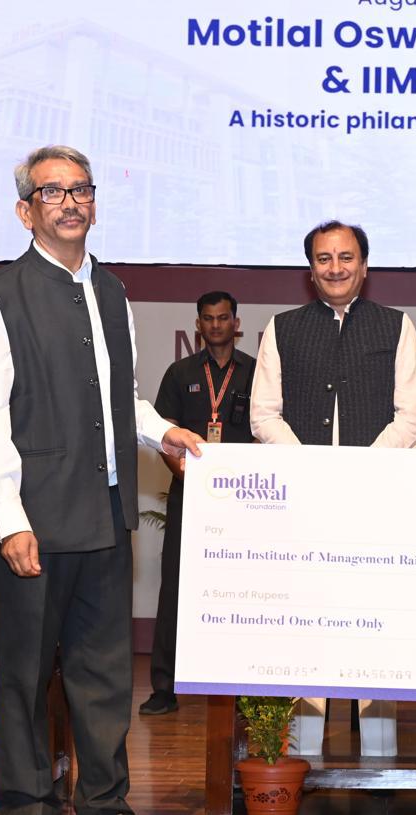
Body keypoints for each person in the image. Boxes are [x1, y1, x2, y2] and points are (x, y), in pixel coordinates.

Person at [0, 145, 200, 815]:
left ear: (95, 202)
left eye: (81, 190)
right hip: (34, 521)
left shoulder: (114, 291)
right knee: (27, 674)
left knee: (102, 677)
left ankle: (103, 809)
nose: (70, 202)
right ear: (25, 211)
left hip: (105, 514)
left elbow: (123, 397)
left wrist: (162, 431)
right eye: (53, 191)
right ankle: (30, 813)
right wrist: (10, 521)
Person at [250, 219, 416, 756]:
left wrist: (361, 471)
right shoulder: (282, 327)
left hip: (377, 502)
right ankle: (301, 757)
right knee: (306, 625)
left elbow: (410, 417)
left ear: (364, 266)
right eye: (324, 259)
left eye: (346, 257)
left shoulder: (397, 325)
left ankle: (379, 759)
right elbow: (263, 415)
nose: (335, 268)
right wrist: (309, 470)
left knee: (375, 625)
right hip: (302, 505)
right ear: (310, 270)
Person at [139, 291, 256, 716]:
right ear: (198, 325)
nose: (216, 325)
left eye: (223, 318)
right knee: (175, 587)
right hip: (188, 494)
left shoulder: (256, 372)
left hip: (246, 502)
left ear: (236, 323)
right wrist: (191, 478)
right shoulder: (180, 373)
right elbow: (164, 436)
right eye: (208, 318)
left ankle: (244, 688)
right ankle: (164, 688)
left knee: (245, 591)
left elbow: (267, 433)